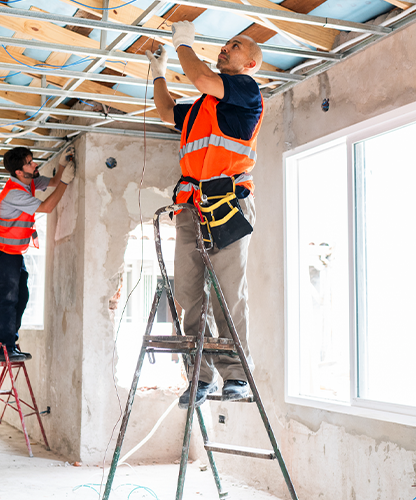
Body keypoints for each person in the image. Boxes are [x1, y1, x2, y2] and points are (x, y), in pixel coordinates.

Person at [146, 22, 265, 408]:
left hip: (227, 205)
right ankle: (200, 375)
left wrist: (183, 44)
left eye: (235, 46)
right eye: (226, 44)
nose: (226, 48)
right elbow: (166, 110)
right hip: (191, 209)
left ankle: (236, 375)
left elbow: (199, 76)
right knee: (188, 296)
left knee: (227, 295)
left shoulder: (246, 92)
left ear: (249, 63)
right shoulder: (201, 108)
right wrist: (160, 71)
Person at [0, 146, 75, 362]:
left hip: (13, 253)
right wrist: (66, 182)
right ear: (18, 171)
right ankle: (4, 348)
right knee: (7, 298)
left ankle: (9, 344)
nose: (35, 164)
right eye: (29, 163)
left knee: (21, 296)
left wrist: (62, 165)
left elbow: (52, 183)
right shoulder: (15, 192)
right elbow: (46, 207)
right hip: (0, 252)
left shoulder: (29, 182)